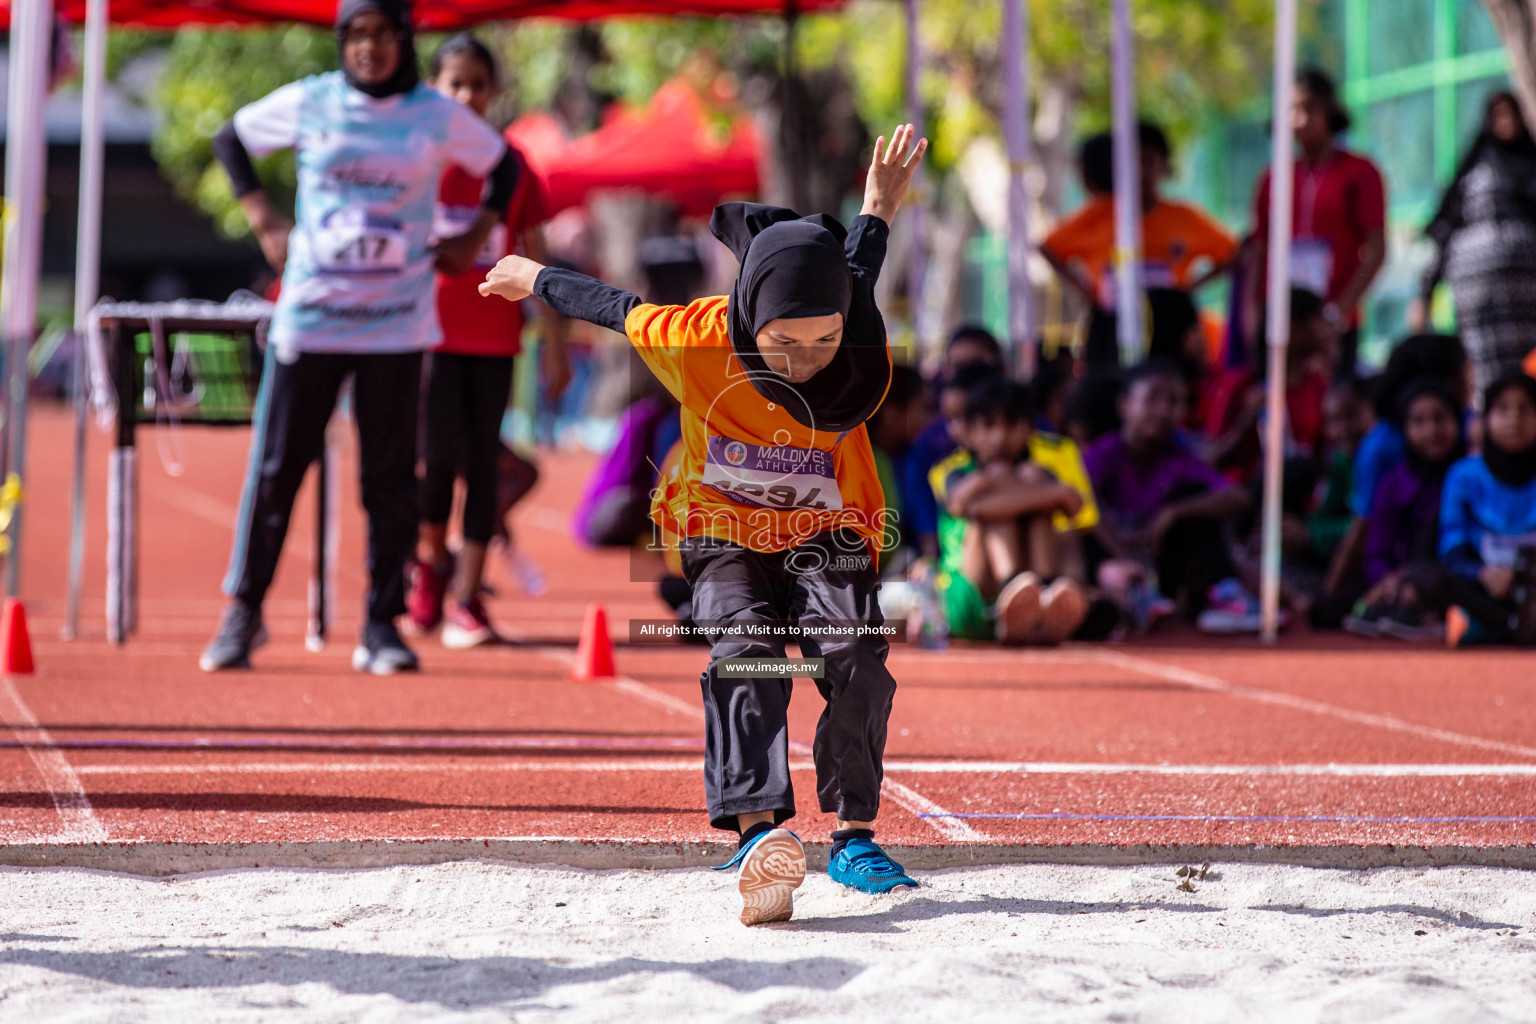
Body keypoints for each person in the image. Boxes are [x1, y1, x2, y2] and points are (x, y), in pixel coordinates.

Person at [480, 124, 928, 924]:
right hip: (721, 531)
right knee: (748, 654)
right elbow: (615, 308)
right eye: (785, 343)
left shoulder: (848, 327)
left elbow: (858, 263)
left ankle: (854, 835)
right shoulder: (697, 337)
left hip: (828, 529)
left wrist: (878, 203)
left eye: (823, 342)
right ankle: (760, 837)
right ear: (750, 316)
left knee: (854, 655)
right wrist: (532, 274)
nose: (806, 359)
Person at [200, 0, 518, 674]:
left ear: (404, 39)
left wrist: (468, 238)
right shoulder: (314, 101)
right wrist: (264, 220)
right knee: (279, 469)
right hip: (313, 316)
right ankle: (243, 613)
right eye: (355, 36)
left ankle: (381, 625)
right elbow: (230, 138)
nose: (368, 49)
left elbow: (506, 165)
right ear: (343, 42)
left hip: (396, 325)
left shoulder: (434, 113)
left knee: (390, 480)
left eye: (382, 35)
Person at [406, 34, 568, 647]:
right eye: (456, 83)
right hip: (427, 337)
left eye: (478, 83)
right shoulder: (419, 158)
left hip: (496, 340)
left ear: (495, 90)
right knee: (432, 466)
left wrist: (553, 339)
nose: (467, 94)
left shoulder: (514, 164)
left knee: (481, 465)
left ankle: (467, 599)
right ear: (435, 89)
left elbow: (538, 253)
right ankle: (429, 562)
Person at [1043, 123, 1237, 369]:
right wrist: (1085, 290)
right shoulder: (1098, 216)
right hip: (1111, 322)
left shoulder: (1183, 218)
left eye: (1148, 161)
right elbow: (1048, 248)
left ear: (1164, 165)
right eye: (1131, 162)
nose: (1140, 171)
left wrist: (1190, 287)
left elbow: (1233, 253)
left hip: (1169, 330)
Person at [929, 379, 1095, 644]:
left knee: (1044, 511)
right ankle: (1012, 590)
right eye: (989, 426)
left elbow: (1076, 506)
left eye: (1012, 425)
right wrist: (1049, 494)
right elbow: (962, 505)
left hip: (1033, 575)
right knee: (1001, 505)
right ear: (969, 432)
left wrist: (1016, 494)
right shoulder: (956, 474)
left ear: (1029, 429)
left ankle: (1040, 599)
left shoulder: (1037, 473)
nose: (1000, 437)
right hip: (971, 600)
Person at [1247, 68, 1386, 378]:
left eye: (1308, 108)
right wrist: (1252, 312)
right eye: (1291, 111)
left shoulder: (1359, 171)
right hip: (1281, 320)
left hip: (1333, 319)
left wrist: (1339, 310)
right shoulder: (1272, 178)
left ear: (1329, 110)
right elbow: (1259, 248)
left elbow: (1376, 248)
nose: (1299, 120)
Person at [1085, 360, 1250, 622]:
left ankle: (1224, 593)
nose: (1163, 411)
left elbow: (1238, 497)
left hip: (1158, 562)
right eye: (1151, 399)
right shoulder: (1103, 454)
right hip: (1111, 554)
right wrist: (1123, 551)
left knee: (1195, 496)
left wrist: (1172, 512)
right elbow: (1083, 502)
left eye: (1173, 402)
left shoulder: (1179, 454)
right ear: (1124, 404)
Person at [1417, 91, 1536, 399]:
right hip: (1479, 302)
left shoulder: (1530, 164)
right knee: (1488, 377)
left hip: (1527, 299)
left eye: (1511, 114)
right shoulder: (1473, 171)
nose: (1505, 122)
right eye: (1498, 116)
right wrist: (1425, 293)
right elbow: (1446, 228)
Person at [1342, 380, 1464, 640]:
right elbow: (1376, 551)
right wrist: (1387, 582)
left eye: (1440, 418)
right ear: (1405, 429)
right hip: (1395, 582)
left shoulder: (1464, 478)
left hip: (1443, 577)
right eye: (1418, 422)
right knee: (1332, 608)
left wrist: (1410, 578)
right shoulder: (1392, 484)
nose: (1431, 431)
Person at [1431, 371, 1536, 646]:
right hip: (1485, 588)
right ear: (1485, 420)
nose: (1515, 419)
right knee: (1432, 577)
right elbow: (1451, 548)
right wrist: (1483, 574)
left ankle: (1511, 626)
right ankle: (1508, 626)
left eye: (1526, 409)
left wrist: (1525, 578)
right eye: (1503, 409)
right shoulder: (1463, 475)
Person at [1202, 288, 1337, 482]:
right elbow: (1210, 458)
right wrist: (1247, 421)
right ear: (1292, 326)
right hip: (1246, 498)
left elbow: (1322, 457)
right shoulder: (1241, 386)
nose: (1327, 330)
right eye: (1320, 321)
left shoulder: (1318, 386)